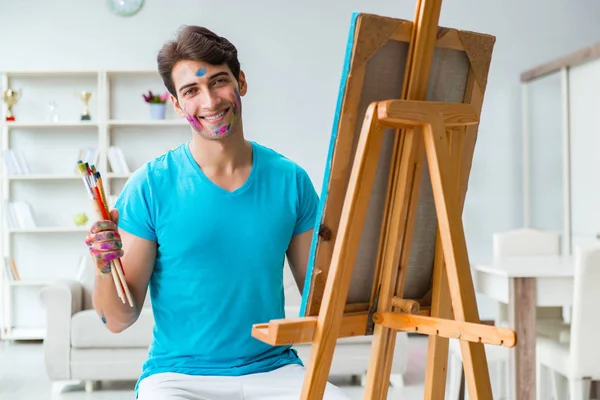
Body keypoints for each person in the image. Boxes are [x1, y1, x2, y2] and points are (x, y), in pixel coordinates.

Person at [84, 25, 351, 400]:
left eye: (219, 81)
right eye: (191, 91)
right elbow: (116, 321)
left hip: (274, 369)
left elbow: (323, 300)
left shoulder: (290, 180)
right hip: (177, 377)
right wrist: (102, 264)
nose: (209, 102)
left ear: (241, 82)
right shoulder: (149, 186)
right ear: (176, 104)